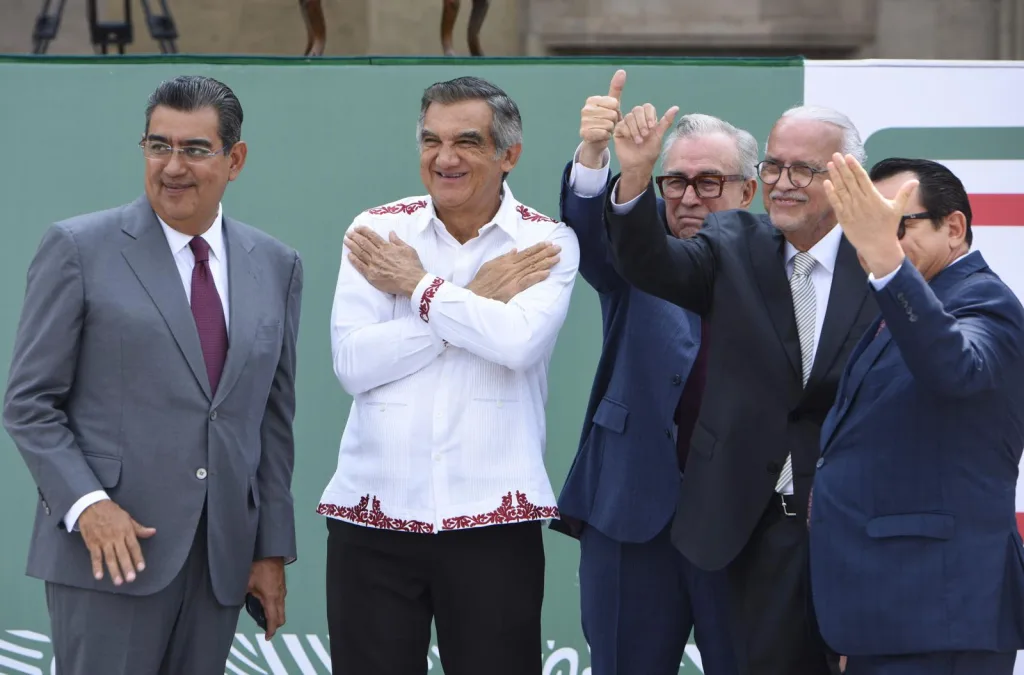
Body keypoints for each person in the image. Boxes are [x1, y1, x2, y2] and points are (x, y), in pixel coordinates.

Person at [2, 75, 303, 675]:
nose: (172, 166)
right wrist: (88, 506)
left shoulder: (276, 264)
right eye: (158, 145)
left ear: (235, 159)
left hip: (219, 565)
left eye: (195, 149)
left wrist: (269, 549)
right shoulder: (77, 248)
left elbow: (271, 419)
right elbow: (29, 404)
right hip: (109, 555)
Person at [601, 80, 880, 675]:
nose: (781, 182)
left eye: (802, 170)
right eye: (773, 166)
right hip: (747, 525)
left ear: (847, 177)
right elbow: (651, 262)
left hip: (847, 524)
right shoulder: (732, 242)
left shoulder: (881, 263)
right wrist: (635, 176)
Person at [316, 75, 580, 675]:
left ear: (509, 155)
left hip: (494, 523)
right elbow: (354, 363)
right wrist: (470, 299)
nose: (444, 158)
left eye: (466, 141)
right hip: (372, 518)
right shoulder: (376, 232)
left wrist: (417, 287)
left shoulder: (546, 241)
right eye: (431, 141)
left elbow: (515, 343)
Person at [551, 69, 753, 675]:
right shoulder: (636, 253)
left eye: (709, 182)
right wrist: (598, 156)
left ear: (748, 191)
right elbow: (591, 232)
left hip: (740, 522)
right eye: (675, 181)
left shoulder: (780, 267)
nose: (689, 197)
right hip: (631, 509)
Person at [809, 155, 1024, 675]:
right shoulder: (901, 303)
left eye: (895, 223)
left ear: (954, 227)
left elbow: (956, 366)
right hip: (883, 609)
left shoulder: (984, 300)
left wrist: (888, 262)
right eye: (865, 225)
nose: (874, 239)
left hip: (938, 613)